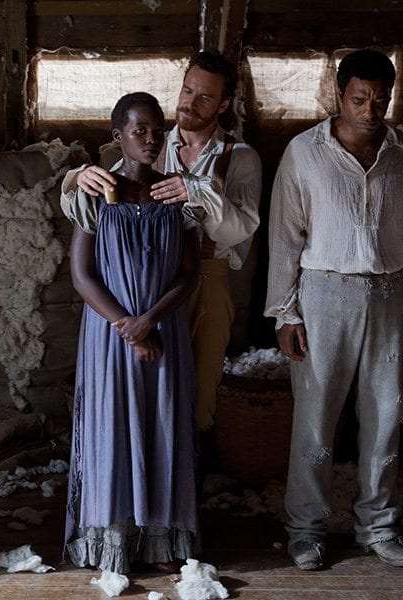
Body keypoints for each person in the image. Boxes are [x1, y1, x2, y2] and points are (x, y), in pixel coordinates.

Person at [265, 48, 403, 570]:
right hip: (324, 295)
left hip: (391, 296)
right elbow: (285, 237)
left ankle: (378, 526)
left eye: (380, 100)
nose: (370, 110)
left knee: (386, 416)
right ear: (338, 95)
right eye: (359, 99)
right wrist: (286, 313)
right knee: (315, 419)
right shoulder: (304, 152)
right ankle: (306, 530)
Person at [61, 51, 261, 446]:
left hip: (204, 276)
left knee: (198, 391)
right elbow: (99, 196)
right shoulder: (151, 140)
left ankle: (187, 471)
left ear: (223, 105)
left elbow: (240, 230)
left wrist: (197, 191)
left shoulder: (240, 158)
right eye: (187, 91)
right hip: (145, 283)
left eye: (205, 97)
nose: (190, 103)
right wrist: (77, 176)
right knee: (148, 390)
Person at [64, 92, 200, 577]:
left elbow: (189, 273)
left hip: (164, 329)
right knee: (112, 426)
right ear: (117, 135)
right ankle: (116, 539)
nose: (150, 139)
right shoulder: (95, 193)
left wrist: (151, 320)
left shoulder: (176, 194)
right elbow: (82, 276)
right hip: (110, 336)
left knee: (162, 423)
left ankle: (159, 539)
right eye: (139, 130)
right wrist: (129, 326)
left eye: (158, 130)